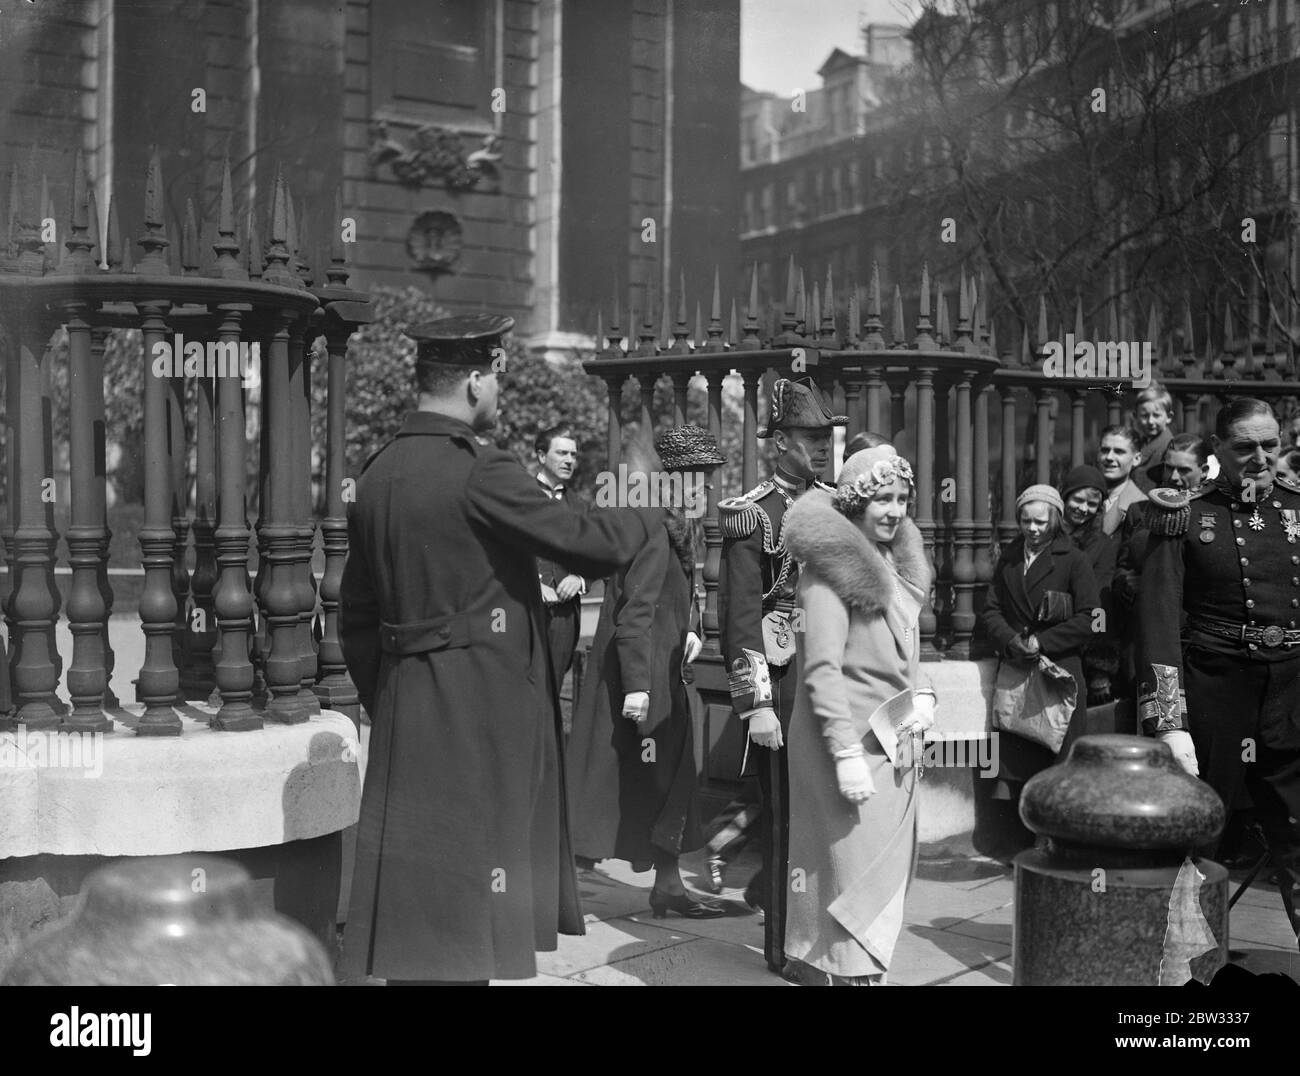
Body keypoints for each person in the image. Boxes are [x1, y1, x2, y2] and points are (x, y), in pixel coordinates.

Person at [338, 314, 664, 985]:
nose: (498, 393)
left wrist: (399, 694)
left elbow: (356, 618)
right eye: (496, 378)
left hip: (407, 709)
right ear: (476, 380)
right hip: (479, 715)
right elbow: (586, 540)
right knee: (470, 904)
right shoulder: (482, 471)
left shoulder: (376, 475)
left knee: (421, 907)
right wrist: (648, 497)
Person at [780, 445, 935, 985]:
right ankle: (848, 976)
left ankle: (852, 973)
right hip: (841, 744)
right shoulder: (826, 575)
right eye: (881, 500)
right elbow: (821, 671)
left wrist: (924, 694)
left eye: (901, 499)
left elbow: (904, 657)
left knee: (883, 874)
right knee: (852, 873)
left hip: (892, 742)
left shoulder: (893, 565)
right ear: (854, 504)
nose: (893, 510)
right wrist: (845, 752)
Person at [1136, 398, 1300, 899]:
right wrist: (1170, 722)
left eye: (1270, 444)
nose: (1261, 457)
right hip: (1216, 692)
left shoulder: (1297, 509)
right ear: (1217, 449)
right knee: (1200, 832)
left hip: (1291, 693)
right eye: (1245, 447)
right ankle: (1186, 967)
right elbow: (1159, 618)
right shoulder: (1185, 514)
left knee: (1296, 832)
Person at [567, 424, 729, 919]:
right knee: (641, 785)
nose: (705, 489)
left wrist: (693, 627)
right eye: (698, 479)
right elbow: (635, 611)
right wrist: (637, 687)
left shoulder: (668, 523)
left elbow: (672, 598)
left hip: (662, 668)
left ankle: (668, 885)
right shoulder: (657, 528)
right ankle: (564, 885)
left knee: (662, 784)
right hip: (647, 677)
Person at [717, 375, 846, 973]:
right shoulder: (755, 515)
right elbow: (741, 617)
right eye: (809, 436)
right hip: (784, 683)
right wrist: (756, 704)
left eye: (826, 436)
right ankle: (784, 950)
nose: (821, 447)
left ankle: (819, 934)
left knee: (826, 815)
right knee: (787, 815)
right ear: (778, 442)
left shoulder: (836, 502)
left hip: (832, 679)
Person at [974, 484, 1100, 863]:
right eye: (1026, 520)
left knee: (1058, 762)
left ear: (1055, 521)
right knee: (1019, 763)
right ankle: (1023, 848)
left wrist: (1043, 643)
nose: (1032, 528)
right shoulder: (1010, 557)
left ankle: (1059, 847)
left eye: (1041, 522)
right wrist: (1012, 641)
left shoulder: (1073, 560)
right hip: (1019, 669)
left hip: (1058, 674)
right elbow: (991, 609)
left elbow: (1091, 618)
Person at [533, 425, 589, 707]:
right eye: (562, 453)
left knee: (551, 697)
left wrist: (580, 579)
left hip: (564, 618)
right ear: (542, 456)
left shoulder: (580, 507)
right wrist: (533, 583)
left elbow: (597, 557)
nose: (569, 460)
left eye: (573, 455)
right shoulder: (517, 497)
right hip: (522, 611)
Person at [1059, 465, 1118, 707]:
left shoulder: (1103, 546)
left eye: (1091, 504)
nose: (1083, 509)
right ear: (1065, 497)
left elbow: (1101, 608)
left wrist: (1099, 668)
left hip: (1080, 646)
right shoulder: (1046, 535)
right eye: (1077, 500)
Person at [1097, 425, 1149, 536]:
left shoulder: (1141, 506)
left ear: (1136, 459)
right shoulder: (1084, 496)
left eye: (1119, 452)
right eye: (1105, 450)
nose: (1109, 457)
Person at [1132, 383, 1176, 491]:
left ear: (1169, 417)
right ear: (1135, 416)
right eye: (1144, 416)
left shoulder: (1170, 447)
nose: (1151, 421)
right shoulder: (1138, 443)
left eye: (1156, 415)